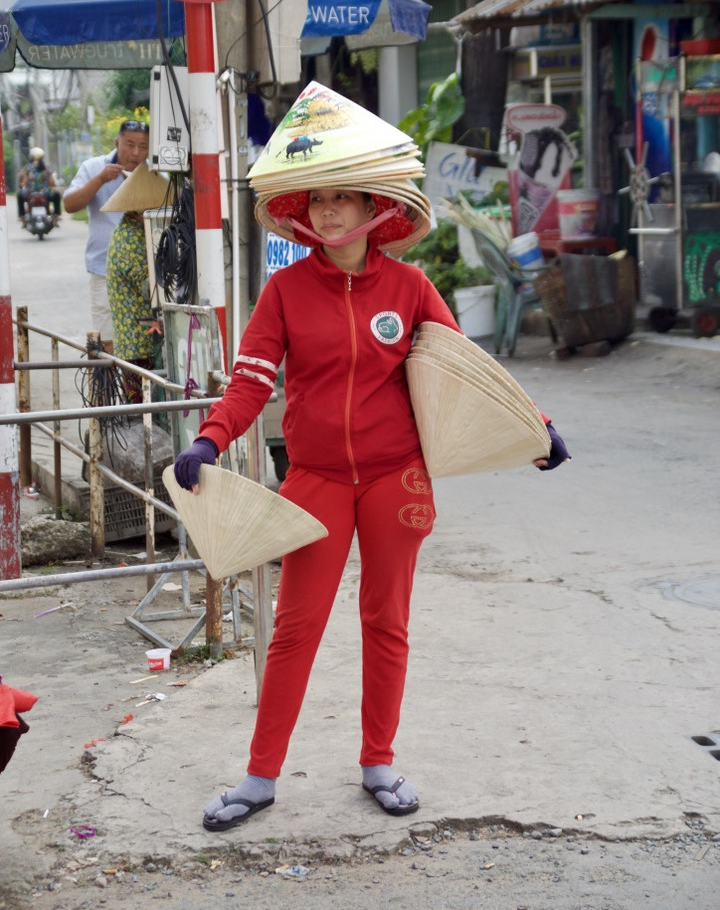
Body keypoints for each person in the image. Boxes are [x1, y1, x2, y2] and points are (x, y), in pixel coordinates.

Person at [172, 92, 570, 833]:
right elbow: (253, 379)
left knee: (386, 622)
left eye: (342, 199)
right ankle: (260, 778)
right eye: (317, 200)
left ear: (374, 208)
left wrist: (535, 427)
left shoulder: (411, 287)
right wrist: (211, 439)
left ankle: (378, 763)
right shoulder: (285, 292)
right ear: (304, 211)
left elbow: (464, 369)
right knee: (294, 629)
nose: (327, 213)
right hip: (315, 481)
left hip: (396, 480)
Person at [63, 120, 150, 353]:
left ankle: (137, 389)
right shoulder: (94, 167)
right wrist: (100, 180)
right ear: (117, 142)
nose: (136, 152)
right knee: (106, 341)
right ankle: (105, 389)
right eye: (130, 144)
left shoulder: (154, 171)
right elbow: (70, 205)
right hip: (103, 272)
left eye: (143, 146)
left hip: (147, 275)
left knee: (143, 344)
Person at [102, 164, 170, 404]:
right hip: (137, 343)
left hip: (144, 339)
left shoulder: (140, 232)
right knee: (142, 408)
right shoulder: (129, 239)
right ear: (139, 211)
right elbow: (149, 287)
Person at [17, 147, 61, 224]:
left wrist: (23, 185)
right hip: (45, 193)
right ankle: (56, 215)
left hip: (29, 193)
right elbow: (52, 182)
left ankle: (22, 217)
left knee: (19, 195)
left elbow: (25, 182)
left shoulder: (27, 168)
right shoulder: (46, 169)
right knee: (57, 194)